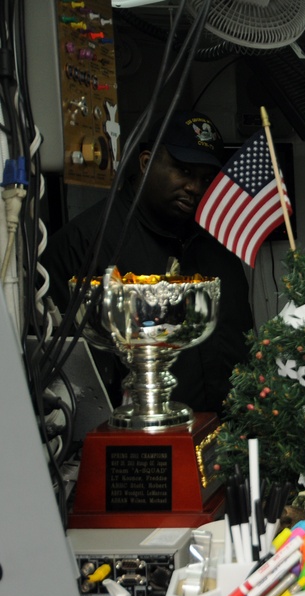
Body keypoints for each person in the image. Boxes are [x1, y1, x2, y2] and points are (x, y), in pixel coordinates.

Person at [42, 110, 253, 414]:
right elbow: (66, 366)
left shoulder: (217, 241)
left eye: (206, 178)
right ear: (145, 163)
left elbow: (238, 338)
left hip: (225, 437)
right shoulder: (88, 242)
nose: (195, 187)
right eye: (182, 171)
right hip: (135, 445)